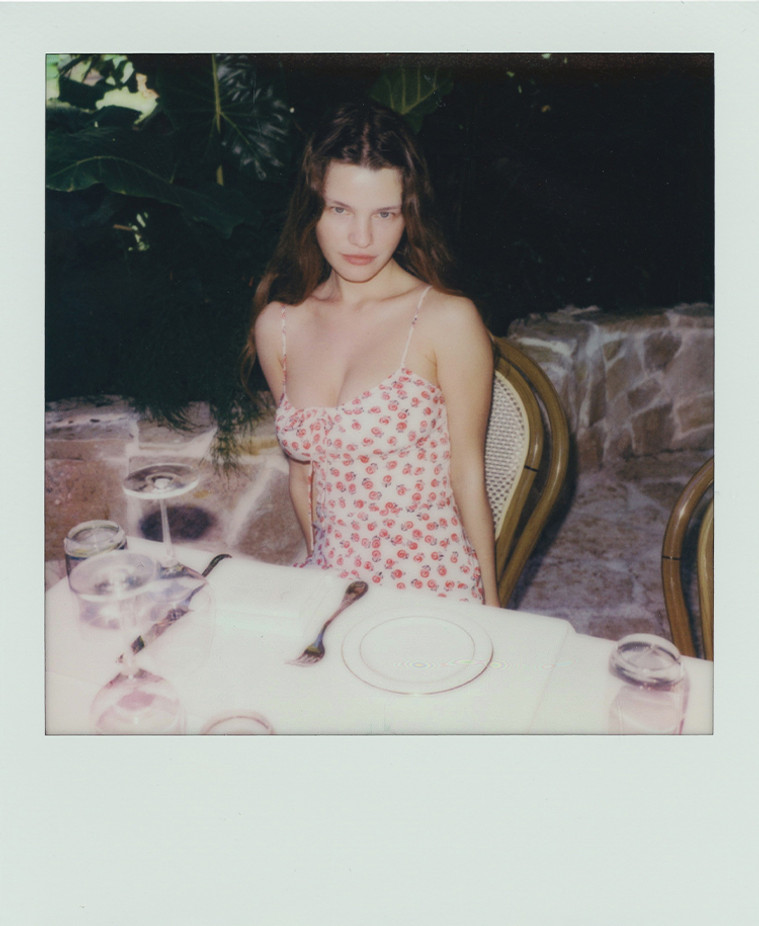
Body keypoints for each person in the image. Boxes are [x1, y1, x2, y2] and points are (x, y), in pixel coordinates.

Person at [244, 100, 498, 606]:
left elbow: (468, 473)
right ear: (312, 210)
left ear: (408, 216)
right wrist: (322, 580)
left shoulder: (445, 320)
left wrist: (493, 610)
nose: (362, 238)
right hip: (334, 579)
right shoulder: (279, 326)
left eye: (385, 214)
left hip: (431, 585)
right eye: (340, 210)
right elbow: (303, 477)